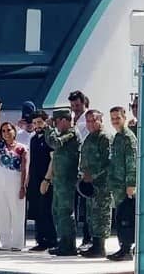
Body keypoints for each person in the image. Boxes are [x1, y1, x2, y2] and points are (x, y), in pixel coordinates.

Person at [0, 97, 28, 252]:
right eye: (3, 131)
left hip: (15, 178)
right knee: (3, 210)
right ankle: (5, 242)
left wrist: (23, 186)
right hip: (1, 178)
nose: (6, 133)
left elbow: (25, 168)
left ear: (15, 131)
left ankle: (18, 243)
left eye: (9, 130)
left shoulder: (22, 148)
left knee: (17, 210)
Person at [45, 108, 80, 256]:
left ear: (65, 120)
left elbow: (54, 143)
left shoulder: (71, 133)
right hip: (59, 179)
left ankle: (69, 245)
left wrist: (49, 128)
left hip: (67, 179)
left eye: (57, 121)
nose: (56, 125)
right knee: (57, 211)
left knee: (65, 212)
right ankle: (63, 242)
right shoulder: (63, 133)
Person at [79, 109, 113, 258]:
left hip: (102, 184)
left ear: (101, 120)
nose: (91, 124)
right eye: (88, 121)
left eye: (94, 120)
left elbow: (108, 162)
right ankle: (94, 244)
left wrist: (92, 175)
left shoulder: (104, 138)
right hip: (90, 185)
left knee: (101, 215)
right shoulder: (89, 137)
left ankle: (100, 248)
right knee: (92, 215)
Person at [107, 106, 137, 261]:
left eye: (118, 118)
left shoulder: (128, 137)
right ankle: (123, 247)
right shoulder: (117, 137)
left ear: (124, 118)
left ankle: (126, 250)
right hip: (117, 187)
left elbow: (131, 163)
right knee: (120, 218)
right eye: (112, 118)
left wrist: (131, 185)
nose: (115, 121)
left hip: (126, 188)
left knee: (126, 220)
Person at [27, 110, 57, 252]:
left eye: (39, 122)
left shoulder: (50, 137)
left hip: (46, 180)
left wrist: (47, 179)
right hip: (34, 179)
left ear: (45, 121)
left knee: (47, 210)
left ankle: (51, 239)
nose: (37, 125)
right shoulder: (33, 139)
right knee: (37, 210)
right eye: (34, 123)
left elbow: (53, 159)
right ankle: (41, 239)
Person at [68, 90, 91, 251]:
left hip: (84, 169)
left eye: (77, 105)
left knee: (86, 206)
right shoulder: (72, 119)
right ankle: (72, 239)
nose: (75, 108)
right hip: (72, 167)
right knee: (73, 206)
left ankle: (87, 239)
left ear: (84, 103)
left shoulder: (88, 119)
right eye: (73, 106)